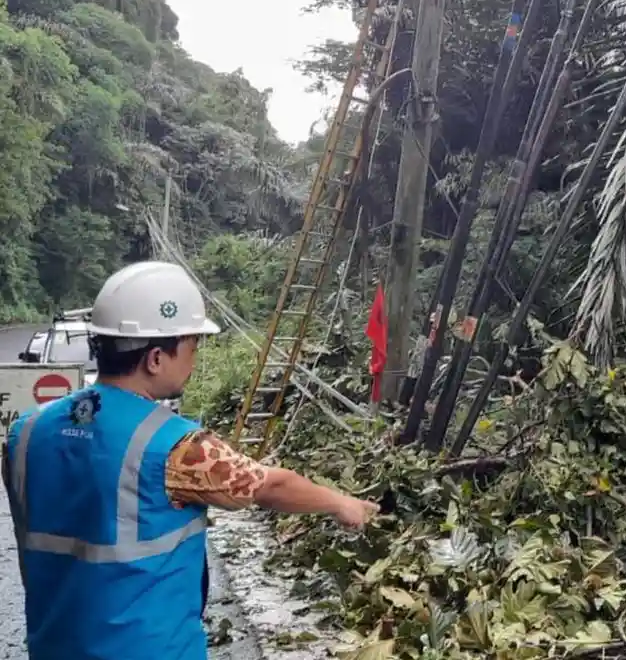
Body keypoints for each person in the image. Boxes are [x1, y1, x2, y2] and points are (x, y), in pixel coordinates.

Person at [0, 261, 379, 659]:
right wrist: (341, 503)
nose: (194, 361)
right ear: (156, 359)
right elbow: (269, 485)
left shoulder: (25, 431)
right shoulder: (176, 447)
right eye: (192, 347)